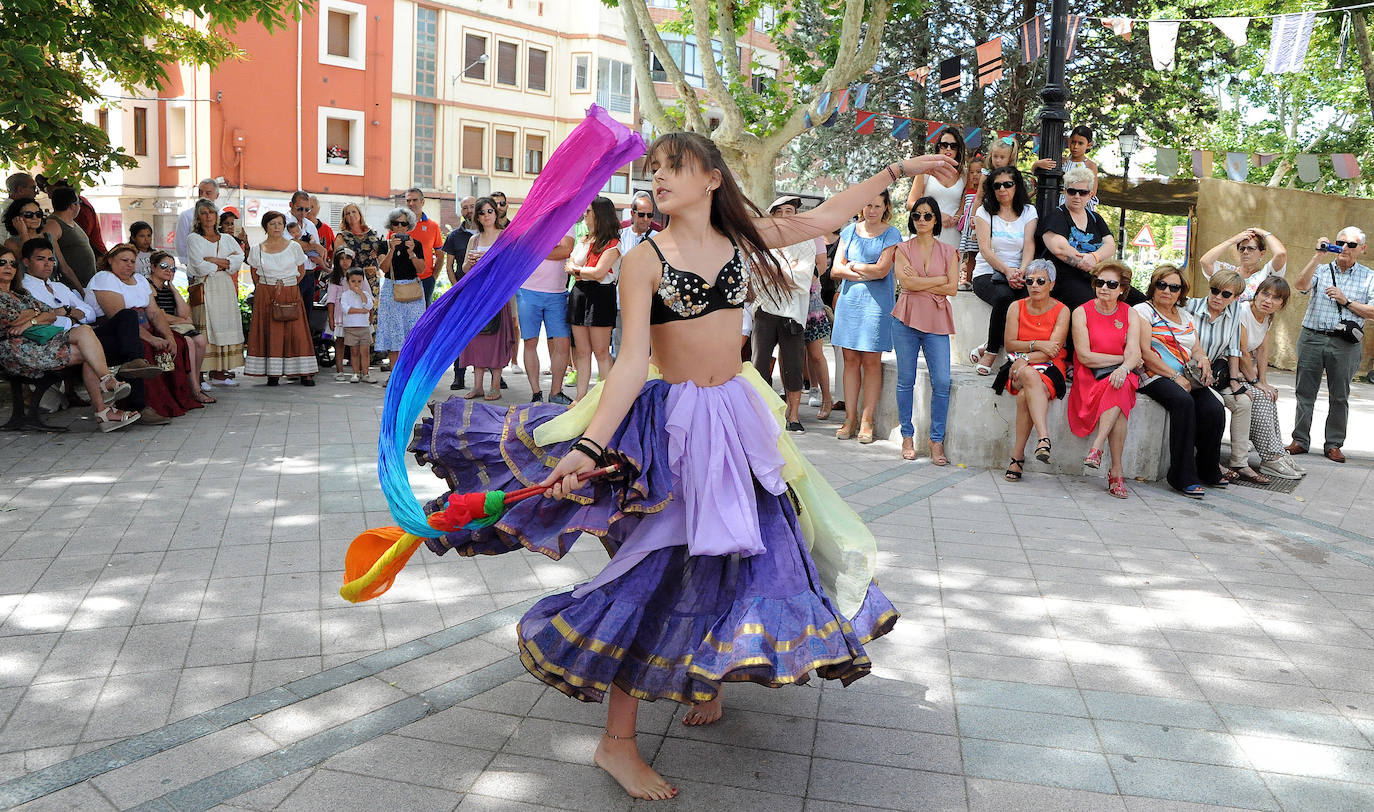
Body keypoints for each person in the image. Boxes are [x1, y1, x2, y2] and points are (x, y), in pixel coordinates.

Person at [402, 129, 957, 801]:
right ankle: (617, 742)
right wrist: (586, 449)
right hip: (675, 429)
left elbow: (826, 216)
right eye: (655, 169)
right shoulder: (644, 257)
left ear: (712, 179)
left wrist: (903, 168)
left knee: (740, 554)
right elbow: (632, 362)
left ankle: (706, 674)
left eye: (674, 167)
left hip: (736, 417)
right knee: (664, 563)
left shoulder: (740, 238)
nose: (659, 178)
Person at [0, 245, 140, 431]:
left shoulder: (20, 293)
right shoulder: (17, 292)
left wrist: (30, 320)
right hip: (16, 350)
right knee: (89, 350)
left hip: (41, 342)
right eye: (2, 263)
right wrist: (35, 314)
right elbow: (11, 319)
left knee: (85, 333)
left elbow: (50, 315)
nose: (8, 267)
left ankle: (107, 387)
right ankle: (104, 409)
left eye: (12, 263)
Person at [1134, 264, 1227, 497]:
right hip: (1153, 374)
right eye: (1161, 285)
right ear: (1153, 287)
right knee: (1183, 402)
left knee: (1215, 409)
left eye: (1173, 287)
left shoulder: (1185, 315)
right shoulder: (1143, 311)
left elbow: (1195, 347)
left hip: (1186, 375)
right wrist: (1174, 376)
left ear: (1181, 292)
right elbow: (1145, 352)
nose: (1167, 291)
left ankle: (1207, 469)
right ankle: (1181, 476)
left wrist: (1204, 359)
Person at [87, 243, 202, 422]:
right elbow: (117, 315)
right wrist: (152, 338)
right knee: (143, 346)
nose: (129, 265)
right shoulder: (104, 277)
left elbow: (154, 312)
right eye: (124, 260)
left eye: (132, 261)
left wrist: (168, 336)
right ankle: (140, 405)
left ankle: (176, 398)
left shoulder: (140, 280)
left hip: (141, 327)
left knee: (177, 343)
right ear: (110, 260)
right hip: (111, 330)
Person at [1287, 228, 1374, 463]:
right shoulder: (1322, 269)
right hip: (1312, 336)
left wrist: (1346, 301)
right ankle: (1300, 440)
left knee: (1340, 395)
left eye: (1352, 245)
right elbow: (1299, 285)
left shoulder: (1369, 276)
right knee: (1304, 392)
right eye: (1340, 242)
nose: (1344, 247)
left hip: (1345, 344)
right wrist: (1317, 255)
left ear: (1362, 249)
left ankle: (1334, 444)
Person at [830, 190, 901, 443]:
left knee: (871, 362)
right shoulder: (849, 231)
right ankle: (850, 418)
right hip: (850, 303)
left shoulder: (891, 233)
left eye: (877, 205)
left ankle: (867, 419)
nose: (871, 210)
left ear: (885, 207)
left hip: (876, 305)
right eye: (868, 204)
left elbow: (883, 271)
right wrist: (862, 271)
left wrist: (854, 266)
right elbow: (836, 269)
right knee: (849, 361)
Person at [1067, 261, 1142, 499]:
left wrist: (1124, 368)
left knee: (1120, 384)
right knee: (1119, 391)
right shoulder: (1081, 312)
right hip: (1090, 376)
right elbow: (1085, 356)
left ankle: (1097, 448)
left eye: (1111, 284)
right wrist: (1123, 361)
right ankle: (1115, 472)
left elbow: (1136, 353)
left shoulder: (1130, 312)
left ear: (1122, 289)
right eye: (1100, 282)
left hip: (1120, 374)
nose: (1104, 288)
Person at [891, 196, 958, 463]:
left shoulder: (949, 251)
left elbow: (952, 287)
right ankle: (907, 435)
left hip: (937, 320)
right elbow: (904, 282)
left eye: (928, 216)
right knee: (905, 381)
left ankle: (936, 441)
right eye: (917, 215)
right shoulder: (902, 248)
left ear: (936, 220)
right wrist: (938, 280)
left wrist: (920, 281)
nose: (921, 220)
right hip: (905, 319)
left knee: (942, 381)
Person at [1184, 268, 1262, 484]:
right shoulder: (1190, 307)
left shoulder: (1235, 311)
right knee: (1213, 406)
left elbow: (1234, 349)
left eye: (1225, 294)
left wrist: (1236, 381)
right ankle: (1211, 461)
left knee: (1243, 401)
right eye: (1214, 290)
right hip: (1190, 374)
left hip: (1216, 376)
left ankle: (1239, 461)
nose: (1218, 297)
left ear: (1235, 297)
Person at [996, 259, 1069, 481]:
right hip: (1017, 363)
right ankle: (1043, 438)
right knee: (1027, 373)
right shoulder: (1015, 307)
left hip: (1049, 366)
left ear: (1052, 284)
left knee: (1026, 394)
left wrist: (1025, 356)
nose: (1034, 285)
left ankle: (1017, 459)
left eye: (1040, 281)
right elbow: (1010, 344)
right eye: (1030, 281)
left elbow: (1053, 351)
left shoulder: (1062, 310)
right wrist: (1037, 344)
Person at [754, 195, 816, 432]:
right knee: (760, 365)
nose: (784, 216)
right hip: (765, 310)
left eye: (789, 210)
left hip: (793, 314)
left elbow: (802, 279)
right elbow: (757, 274)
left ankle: (794, 416)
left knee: (793, 365)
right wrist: (787, 271)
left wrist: (774, 271)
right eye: (779, 211)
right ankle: (761, 414)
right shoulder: (762, 241)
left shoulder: (807, 242)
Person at [970, 166, 1037, 374]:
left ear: (1016, 186)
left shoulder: (1028, 211)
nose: (1002, 189)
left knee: (1029, 299)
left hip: (1019, 272)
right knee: (1004, 297)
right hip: (987, 272)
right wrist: (1007, 271)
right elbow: (985, 250)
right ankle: (991, 351)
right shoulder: (984, 212)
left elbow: (1029, 245)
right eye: (997, 185)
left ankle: (992, 345)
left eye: (1008, 184)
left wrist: (1022, 271)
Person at [1037, 165, 1131, 311]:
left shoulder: (1095, 218)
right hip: (1064, 278)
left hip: (1096, 276)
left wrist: (1094, 257)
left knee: (1135, 299)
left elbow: (1110, 245)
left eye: (1083, 192)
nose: (1077, 196)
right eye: (1072, 191)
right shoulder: (1056, 216)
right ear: (1064, 191)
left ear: (1091, 194)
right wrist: (1085, 262)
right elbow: (1059, 248)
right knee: (1091, 303)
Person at [1238, 277, 1305, 480]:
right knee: (1259, 395)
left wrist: (1264, 381)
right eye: (1265, 294)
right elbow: (1241, 351)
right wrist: (1256, 382)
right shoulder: (1243, 311)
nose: (1269, 300)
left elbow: (1263, 350)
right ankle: (1269, 457)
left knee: (1270, 394)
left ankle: (1277, 453)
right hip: (1227, 366)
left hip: (1245, 370)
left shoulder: (1268, 317)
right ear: (1256, 293)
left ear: (1281, 304)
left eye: (1276, 298)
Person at [245, 213, 318, 385]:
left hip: (289, 290)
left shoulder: (294, 247)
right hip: (266, 292)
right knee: (272, 331)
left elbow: (300, 270)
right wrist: (267, 287)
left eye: (280, 223)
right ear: (266, 226)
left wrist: (287, 285)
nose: (277, 227)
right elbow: (255, 273)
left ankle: (304, 372)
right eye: (272, 223)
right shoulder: (257, 249)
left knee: (297, 332)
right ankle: (273, 373)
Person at [564, 197, 621, 403]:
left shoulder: (613, 243)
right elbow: (569, 262)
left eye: (588, 211)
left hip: (600, 296)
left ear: (599, 214)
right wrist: (580, 271)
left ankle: (606, 399)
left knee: (601, 351)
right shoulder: (583, 239)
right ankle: (580, 397)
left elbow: (599, 273)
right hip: (579, 294)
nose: (585, 215)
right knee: (582, 351)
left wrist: (578, 270)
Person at [186, 198, 246, 386]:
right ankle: (200, 376)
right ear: (198, 217)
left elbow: (239, 258)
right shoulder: (193, 239)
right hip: (205, 287)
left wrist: (216, 261)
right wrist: (223, 262)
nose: (208, 216)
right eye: (203, 213)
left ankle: (220, 373)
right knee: (205, 329)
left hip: (224, 288)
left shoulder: (227, 238)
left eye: (211, 212)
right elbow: (198, 265)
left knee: (223, 327)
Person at [515, 234, 574, 404]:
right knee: (530, 342)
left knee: (562, 344)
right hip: (527, 290)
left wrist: (536, 248)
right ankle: (536, 393)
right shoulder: (533, 220)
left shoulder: (567, 220)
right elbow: (521, 249)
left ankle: (556, 392)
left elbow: (565, 250)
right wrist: (550, 249)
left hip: (557, 293)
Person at [149, 250, 215, 404]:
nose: (168, 270)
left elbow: (185, 313)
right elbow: (158, 315)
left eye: (172, 268)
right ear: (153, 266)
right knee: (189, 342)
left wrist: (172, 287)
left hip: (174, 327)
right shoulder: (149, 286)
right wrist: (181, 321)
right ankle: (194, 389)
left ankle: (195, 383)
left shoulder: (167, 288)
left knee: (200, 339)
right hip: (158, 328)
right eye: (164, 266)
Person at [375, 208, 427, 380]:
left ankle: (411, 376)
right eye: (396, 223)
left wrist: (411, 252)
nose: (399, 227)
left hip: (412, 291)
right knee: (393, 334)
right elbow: (383, 268)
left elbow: (422, 269)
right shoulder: (384, 244)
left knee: (413, 334)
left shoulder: (416, 244)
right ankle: (394, 376)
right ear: (391, 225)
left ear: (409, 226)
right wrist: (391, 249)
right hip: (392, 289)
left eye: (403, 223)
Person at [1200, 228, 1287, 304]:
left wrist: (1263, 233)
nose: (1245, 252)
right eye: (1242, 249)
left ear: (1262, 253)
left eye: (1251, 248)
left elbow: (1281, 253)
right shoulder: (1227, 272)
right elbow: (1205, 262)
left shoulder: (1266, 275)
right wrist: (1232, 240)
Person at [43, 185, 97, 295]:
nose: (80, 207)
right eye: (79, 203)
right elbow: (62, 265)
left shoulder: (72, 222)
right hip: (72, 289)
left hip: (87, 286)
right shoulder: (52, 225)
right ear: (73, 205)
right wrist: (81, 291)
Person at [336, 203, 385, 319]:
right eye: (347, 213)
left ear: (359, 214)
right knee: (357, 311)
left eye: (354, 212)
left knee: (373, 312)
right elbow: (338, 261)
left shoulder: (373, 233)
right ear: (344, 218)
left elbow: (381, 255)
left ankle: (373, 337)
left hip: (373, 279)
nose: (351, 215)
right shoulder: (342, 236)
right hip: (354, 280)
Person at [803, 234, 833, 418]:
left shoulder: (814, 235)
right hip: (786, 299)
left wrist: (804, 281)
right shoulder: (783, 231)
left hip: (811, 299)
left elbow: (822, 264)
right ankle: (791, 403)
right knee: (788, 351)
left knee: (815, 353)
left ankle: (826, 398)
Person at [401, 188, 442, 306]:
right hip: (402, 280)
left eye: (415, 200)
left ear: (422, 202)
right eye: (408, 200)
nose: (411, 203)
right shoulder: (398, 225)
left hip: (426, 280)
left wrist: (433, 277)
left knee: (424, 318)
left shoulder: (433, 226)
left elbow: (440, 254)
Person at [324, 247, 356, 381]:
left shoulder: (358, 276)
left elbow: (368, 295)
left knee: (355, 343)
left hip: (356, 314)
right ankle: (339, 370)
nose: (345, 262)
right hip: (339, 315)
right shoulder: (334, 278)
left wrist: (369, 313)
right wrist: (331, 318)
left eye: (348, 258)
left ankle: (357, 371)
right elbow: (330, 300)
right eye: (341, 259)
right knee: (340, 341)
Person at [339, 268, 375, 383]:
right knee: (354, 352)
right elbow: (346, 309)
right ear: (348, 282)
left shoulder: (365, 294)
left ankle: (366, 373)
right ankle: (355, 373)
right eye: (353, 281)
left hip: (364, 328)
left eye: (359, 281)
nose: (356, 284)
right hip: (351, 328)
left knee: (365, 352)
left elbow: (368, 306)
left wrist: (361, 294)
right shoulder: (345, 295)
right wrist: (361, 311)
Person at [175, 179, 219, 268]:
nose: (203, 196)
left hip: (219, 267)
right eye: (200, 192)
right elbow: (181, 243)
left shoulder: (222, 215)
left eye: (208, 193)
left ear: (217, 195)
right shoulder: (186, 216)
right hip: (194, 267)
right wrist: (189, 264)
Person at [0, 173, 36, 242]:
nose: (36, 193)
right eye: (33, 188)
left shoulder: (4, 206)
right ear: (20, 190)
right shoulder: (13, 210)